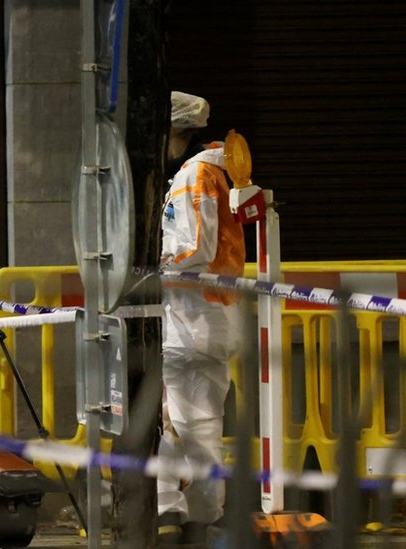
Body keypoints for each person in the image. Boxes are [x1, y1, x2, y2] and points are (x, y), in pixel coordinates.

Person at [157, 91, 245, 544]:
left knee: (195, 424)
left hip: (195, 314)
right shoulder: (206, 171)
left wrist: (152, 266)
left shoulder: (196, 175)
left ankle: (205, 517)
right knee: (176, 418)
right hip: (203, 313)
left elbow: (193, 249)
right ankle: (175, 512)